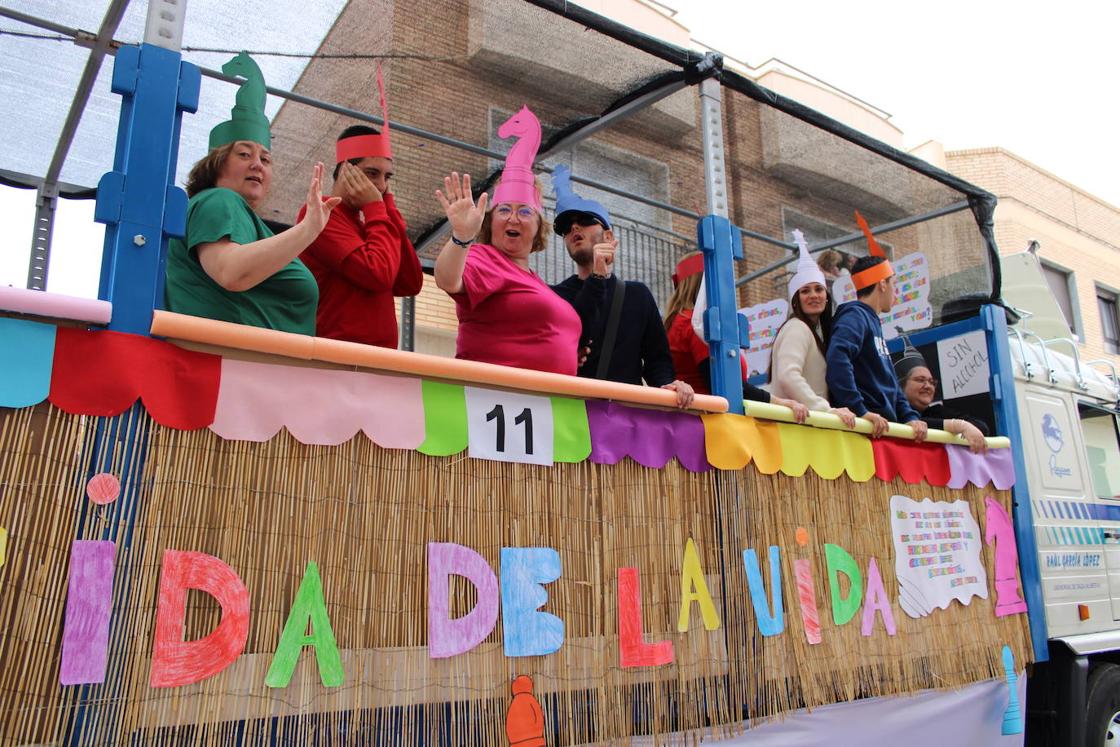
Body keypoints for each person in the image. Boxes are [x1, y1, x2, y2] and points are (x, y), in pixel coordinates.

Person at [165, 53, 339, 335]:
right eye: (244, 154)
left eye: (266, 160)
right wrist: (308, 230)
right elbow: (232, 271)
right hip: (231, 368)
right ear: (216, 162)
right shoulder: (218, 199)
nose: (257, 164)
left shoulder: (241, 217)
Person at [433, 107, 581, 375]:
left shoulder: (534, 279)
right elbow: (447, 279)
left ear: (537, 228)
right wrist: (461, 238)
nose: (513, 218)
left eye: (524, 212)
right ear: (490, 222)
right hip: (496, 403)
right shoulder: (485, 257)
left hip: (547, 407)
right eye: (504, 210)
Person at [548, 165, 693, 408]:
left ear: (608, 235)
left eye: (584, 220)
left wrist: (670, 385)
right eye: (566, 227)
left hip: (625, 426)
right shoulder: (555, 295)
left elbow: (657, 361)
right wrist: (597, 277)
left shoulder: (637, 295)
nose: (574, 228)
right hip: (572, 421)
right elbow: (576, 337)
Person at [298, 81, 423, 348]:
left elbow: (410, 282)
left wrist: (387, 208)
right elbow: (378, 274)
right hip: (335, 361)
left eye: (387, 177)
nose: (381, 186)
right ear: (346, 170)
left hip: (373, 364)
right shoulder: (320, 211)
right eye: (371, 173)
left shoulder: (369, 221)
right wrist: (378, 209)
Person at [664, 252, 809, 421]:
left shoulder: (680, 321)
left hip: (698, 418)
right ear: (707, 283)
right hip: (706, 421)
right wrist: (779, 402)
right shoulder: (696, 324)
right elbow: (725, 384)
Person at [825, 250, 928, 440]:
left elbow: (890, 382)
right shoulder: (854, 316)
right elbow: (837, 359)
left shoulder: (872, 321)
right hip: (866, 431)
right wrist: (859, 410)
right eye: (893, 285)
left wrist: (909, 417)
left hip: (881, 428)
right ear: (882, 284)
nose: (894, 292)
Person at [769, 231, 857, 428]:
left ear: (827, 296)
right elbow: (788, 375)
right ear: (796, 299)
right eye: (805, 291)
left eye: (818, 289)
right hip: (796, 429)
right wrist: (827, 410)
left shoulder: (812, 331)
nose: (814, 295)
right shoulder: (797, 328)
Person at [894, 338, 990, 453]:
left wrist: (963, 426)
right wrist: (957, 426)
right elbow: (911, 423)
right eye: (920, 380)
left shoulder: (937, 412)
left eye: (931, 382)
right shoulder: (894, 413)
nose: (928, 386)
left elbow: (981, 427)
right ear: (900, 385)